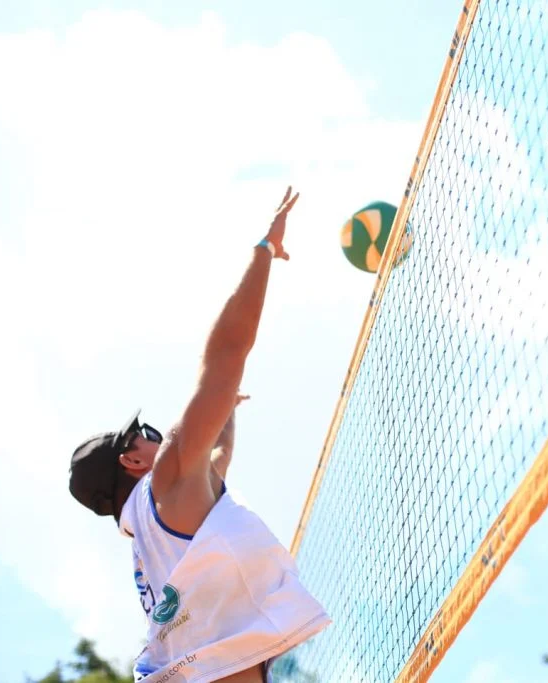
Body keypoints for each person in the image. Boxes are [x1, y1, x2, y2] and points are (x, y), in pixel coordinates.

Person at [69, 187, 330, 683]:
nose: (153, 437)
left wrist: (224, 409)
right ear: (131, 460)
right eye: (144, 434)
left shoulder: (151, 539)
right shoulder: (166, 477)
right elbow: (227, 351)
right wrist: (265, 250)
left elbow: (217, 458)